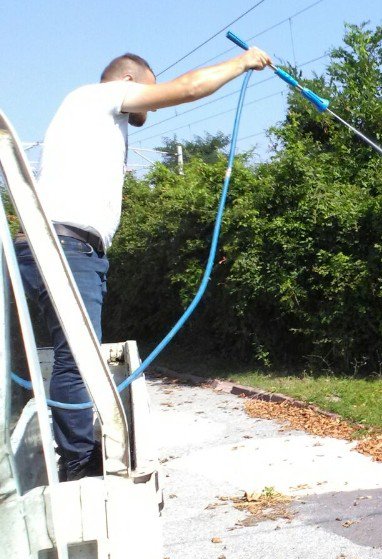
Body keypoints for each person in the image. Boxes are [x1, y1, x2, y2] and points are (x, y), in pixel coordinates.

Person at [16, 46, 272, 481]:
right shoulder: (99, 97)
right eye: (150, 93)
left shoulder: (85, 115)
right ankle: (78, 467)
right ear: (128, 82)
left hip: (58, 246)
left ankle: (66, 455)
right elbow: (189, 88)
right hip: (67, 247)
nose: (151, 105)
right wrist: (243, 62)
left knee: (58, 359)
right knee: (75, 360)